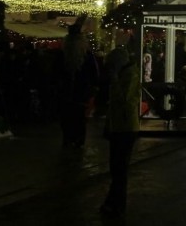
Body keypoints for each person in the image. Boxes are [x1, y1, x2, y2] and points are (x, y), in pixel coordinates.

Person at [100, 34, 141, 219]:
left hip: (125, 127)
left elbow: (123, 99)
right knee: (116, 167)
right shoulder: (127, 72)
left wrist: (115, 80)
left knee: (119, 167)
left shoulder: (129, 75)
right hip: (119, 126)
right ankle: (113, 201)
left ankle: (116, 203)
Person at [59, 23, 99, 148]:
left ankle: (74, 139)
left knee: (76, 117)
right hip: (70, 93)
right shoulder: (64, 56)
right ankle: (72, 139)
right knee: (72, 117)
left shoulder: (84, 57)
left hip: (78, 93)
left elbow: (94, 75)